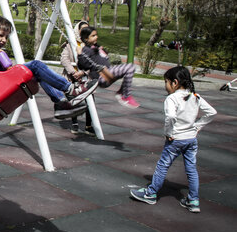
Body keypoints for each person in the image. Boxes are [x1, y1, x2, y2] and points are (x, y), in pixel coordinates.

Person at [0, 15, 99, 179]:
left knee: (36, 73)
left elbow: (1, 71)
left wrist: (4, 63)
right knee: (35, 65)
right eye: (1, 35)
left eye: (6, 36)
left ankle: (61, 103)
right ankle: (70, 90)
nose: (4, 40)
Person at [130, 66, 216, 212]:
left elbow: (170, 116)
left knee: (163, 166)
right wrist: (197, 126)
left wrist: (168, 132)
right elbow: (212, 112)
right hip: (191, 139)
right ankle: (193, 200)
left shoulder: (172, 98)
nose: (165, 85)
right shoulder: (195, 96)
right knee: (191, 169)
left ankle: (151, 193)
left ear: (174, 83)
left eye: (166, 82)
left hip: (175, 139)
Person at [77, 26, 140, 108]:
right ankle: (125, 95)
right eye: (93, 36)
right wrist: (80, 54)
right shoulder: (86, 49)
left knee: (130, 68)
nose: (96, 37)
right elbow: (83, 65)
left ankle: (122, 92)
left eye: (96, 35)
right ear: (86, 39)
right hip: (102, 77)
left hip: (107, 73)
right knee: (130, 67)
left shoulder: (95, 48)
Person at [60, 20, 94, 135]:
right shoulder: (70, 44)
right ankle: (74, 123)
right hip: (72, 77)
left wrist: (83, 73)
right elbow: (64, 59)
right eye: (82, 29)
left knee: (90, 101)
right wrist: (73, 72)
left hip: (85, 78)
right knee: (73, 100)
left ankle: (89, 125)